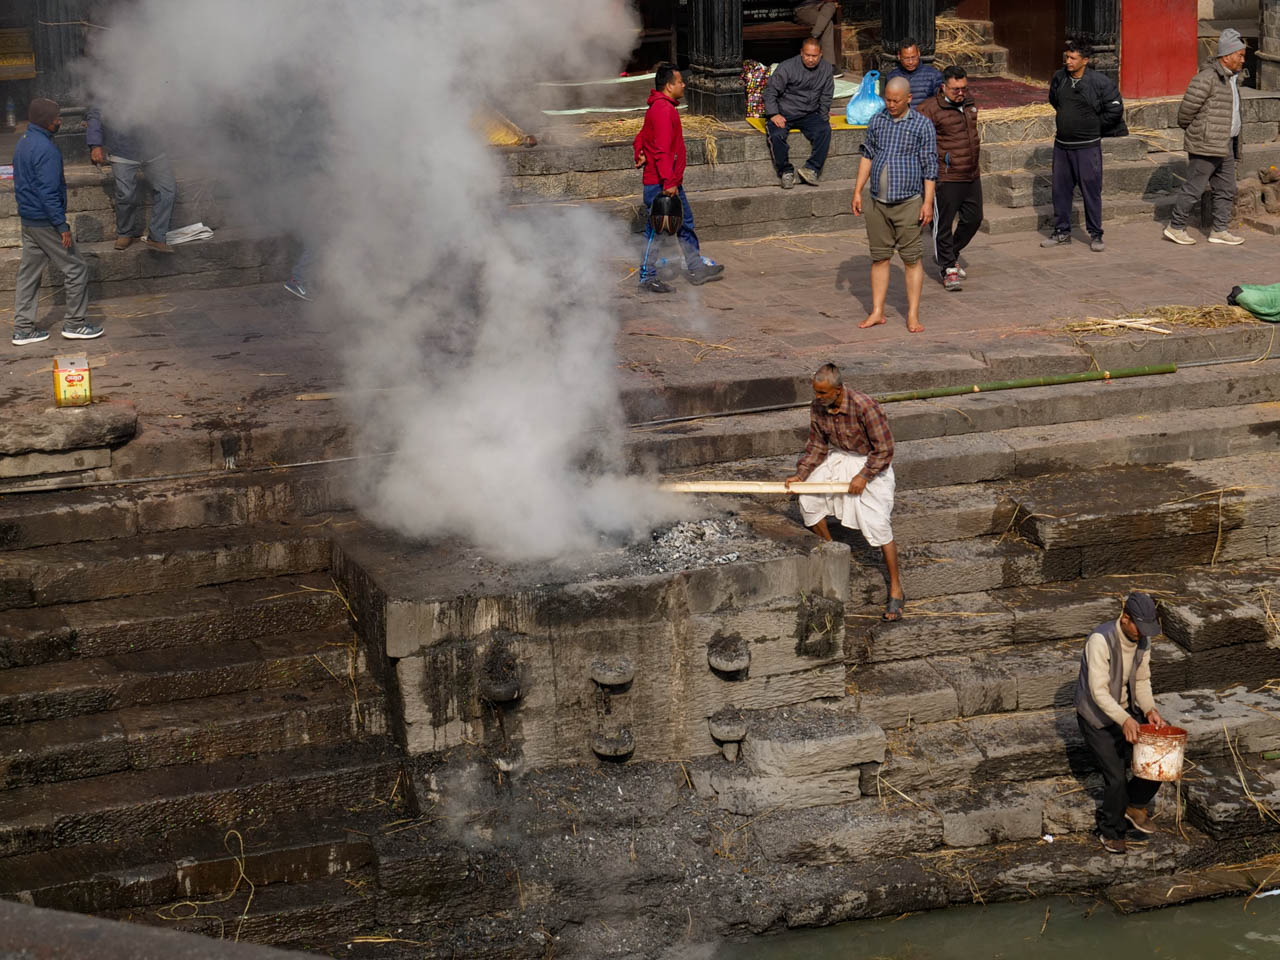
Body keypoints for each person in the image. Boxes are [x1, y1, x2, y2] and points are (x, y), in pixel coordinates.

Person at [784, 363, 905, 621]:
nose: (818, 398)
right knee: (808, 500)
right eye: (816, 392)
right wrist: (801, 475)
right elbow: (816, 446)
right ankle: (832, 552)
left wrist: (863, 476)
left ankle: (896, 587)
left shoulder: (865, 406)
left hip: (869, 464)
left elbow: (884, 449)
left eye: (823, 393)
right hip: (839, 459)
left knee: (878, 523)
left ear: (838, 390)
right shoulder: (818, 407)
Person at [1075, 592, 1170, 855]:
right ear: (1125, 617)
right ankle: (1111, 829)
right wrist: (1125, 720)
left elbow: (1141, 680)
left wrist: (1149, 708)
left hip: (1127, 710)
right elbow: (1099, 692)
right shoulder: (1100, 641)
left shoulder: (1143, 641)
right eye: (1139, 626)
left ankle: (1134, 804)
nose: (1142, 633)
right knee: (1116, 777)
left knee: (1160, 756)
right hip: (1097, 717)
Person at [11, 98, 101, 345]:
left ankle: (23, 329)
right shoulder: (46, 150)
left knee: (28, 275)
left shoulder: (23, 142)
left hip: (29, 220)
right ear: (46, 121)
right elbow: (48, 192)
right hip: (46, 222)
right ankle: (75, 323)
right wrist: (62, 226)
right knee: (76, 268)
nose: (60, 121)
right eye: (57, 118)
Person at [851, 76, 936, 334]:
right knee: (880, 257)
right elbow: (868, 156)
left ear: (908, 99)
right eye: (887, 99)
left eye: (896, 100)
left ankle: (912, 314)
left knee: (911, 259)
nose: (890, 104)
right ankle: (877, 311)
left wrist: (928, 202)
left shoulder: (922, 125)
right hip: (877, 201)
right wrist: (857, 191)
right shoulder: (878, 120)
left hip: (909, 201)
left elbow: (930, 166)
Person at [633, 63, 724, 294]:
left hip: (670, 180)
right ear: (668, 85)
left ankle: (695, 267)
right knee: (655, 231)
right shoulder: (663, 110)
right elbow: (663, 149)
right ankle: (647, 276)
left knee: (685, 224)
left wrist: (640, 152)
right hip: (661, 184)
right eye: (680, 81)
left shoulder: (662, 108)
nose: (683, 85)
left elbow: (642, 138)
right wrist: (669, 182)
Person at [1163, 28, 1248, 246]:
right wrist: (1200, 133)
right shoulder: (1206, 78)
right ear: (1227, 56)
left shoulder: (1233, 79)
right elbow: (1186, 112)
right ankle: (1176, 226)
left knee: (1226, 188)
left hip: (1226, 143)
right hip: (1206, 143)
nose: (1242, 59)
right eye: (1240, 55)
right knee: (1194, 187)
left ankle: (1219, 230)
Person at [1042, 39, 1126, 253]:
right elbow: (1054, 100)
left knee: (1091, 191)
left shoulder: (1100, 82)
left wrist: (1093, 126)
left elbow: (1115, 109)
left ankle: (1096, 233)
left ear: (1085, 61)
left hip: (1087, 147)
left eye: (1073, 58)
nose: (1068, 61)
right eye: (1067, 57)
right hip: (1062, 146)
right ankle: (1061, 231)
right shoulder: (1059, 77)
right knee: (1060, 190)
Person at [917, 65, 981, 292]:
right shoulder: (929, 109)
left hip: (971, 173)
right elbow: (920, 143)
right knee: (942, 224)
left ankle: (949, 254)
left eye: (964, 88)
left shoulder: (969, 104)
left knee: (974, 219)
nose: (961, 93)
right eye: (955, 89)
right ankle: (947, 269)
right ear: (943, 87)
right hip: (946, 176)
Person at [85, 106, 177, 254]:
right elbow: (95, 115)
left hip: (154, 149)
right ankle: (124, 233)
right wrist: (95, 144)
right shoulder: (109, 88)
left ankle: (157, 236)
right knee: (126, 194)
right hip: (122, 149)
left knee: (167, 190)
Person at [763, 37, 834, 190]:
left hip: (809, 113)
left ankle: (811, 168)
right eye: (807, 55)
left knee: (824, 130)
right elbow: (770, 92)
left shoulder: (827, 69)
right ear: (801, 53)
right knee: (776, 135)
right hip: (784, 112)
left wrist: (823, 117)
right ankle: (786, 172)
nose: (810, 59)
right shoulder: (787, 67)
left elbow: (826, 96)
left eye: (814, 56)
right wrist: (773, 114)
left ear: (821, 54)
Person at [884, 38, 943, 110]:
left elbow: (939, 104)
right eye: (906, 58)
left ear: (918, 53)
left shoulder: (934, 75)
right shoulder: (891, 77)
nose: (911, 62)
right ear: (899, 56)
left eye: (913, 57)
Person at [792, 1, 840, 71]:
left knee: (830, 5)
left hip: (824, 6)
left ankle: (814, 36)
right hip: (805, 8)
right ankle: (829, 65)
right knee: (828, 24)